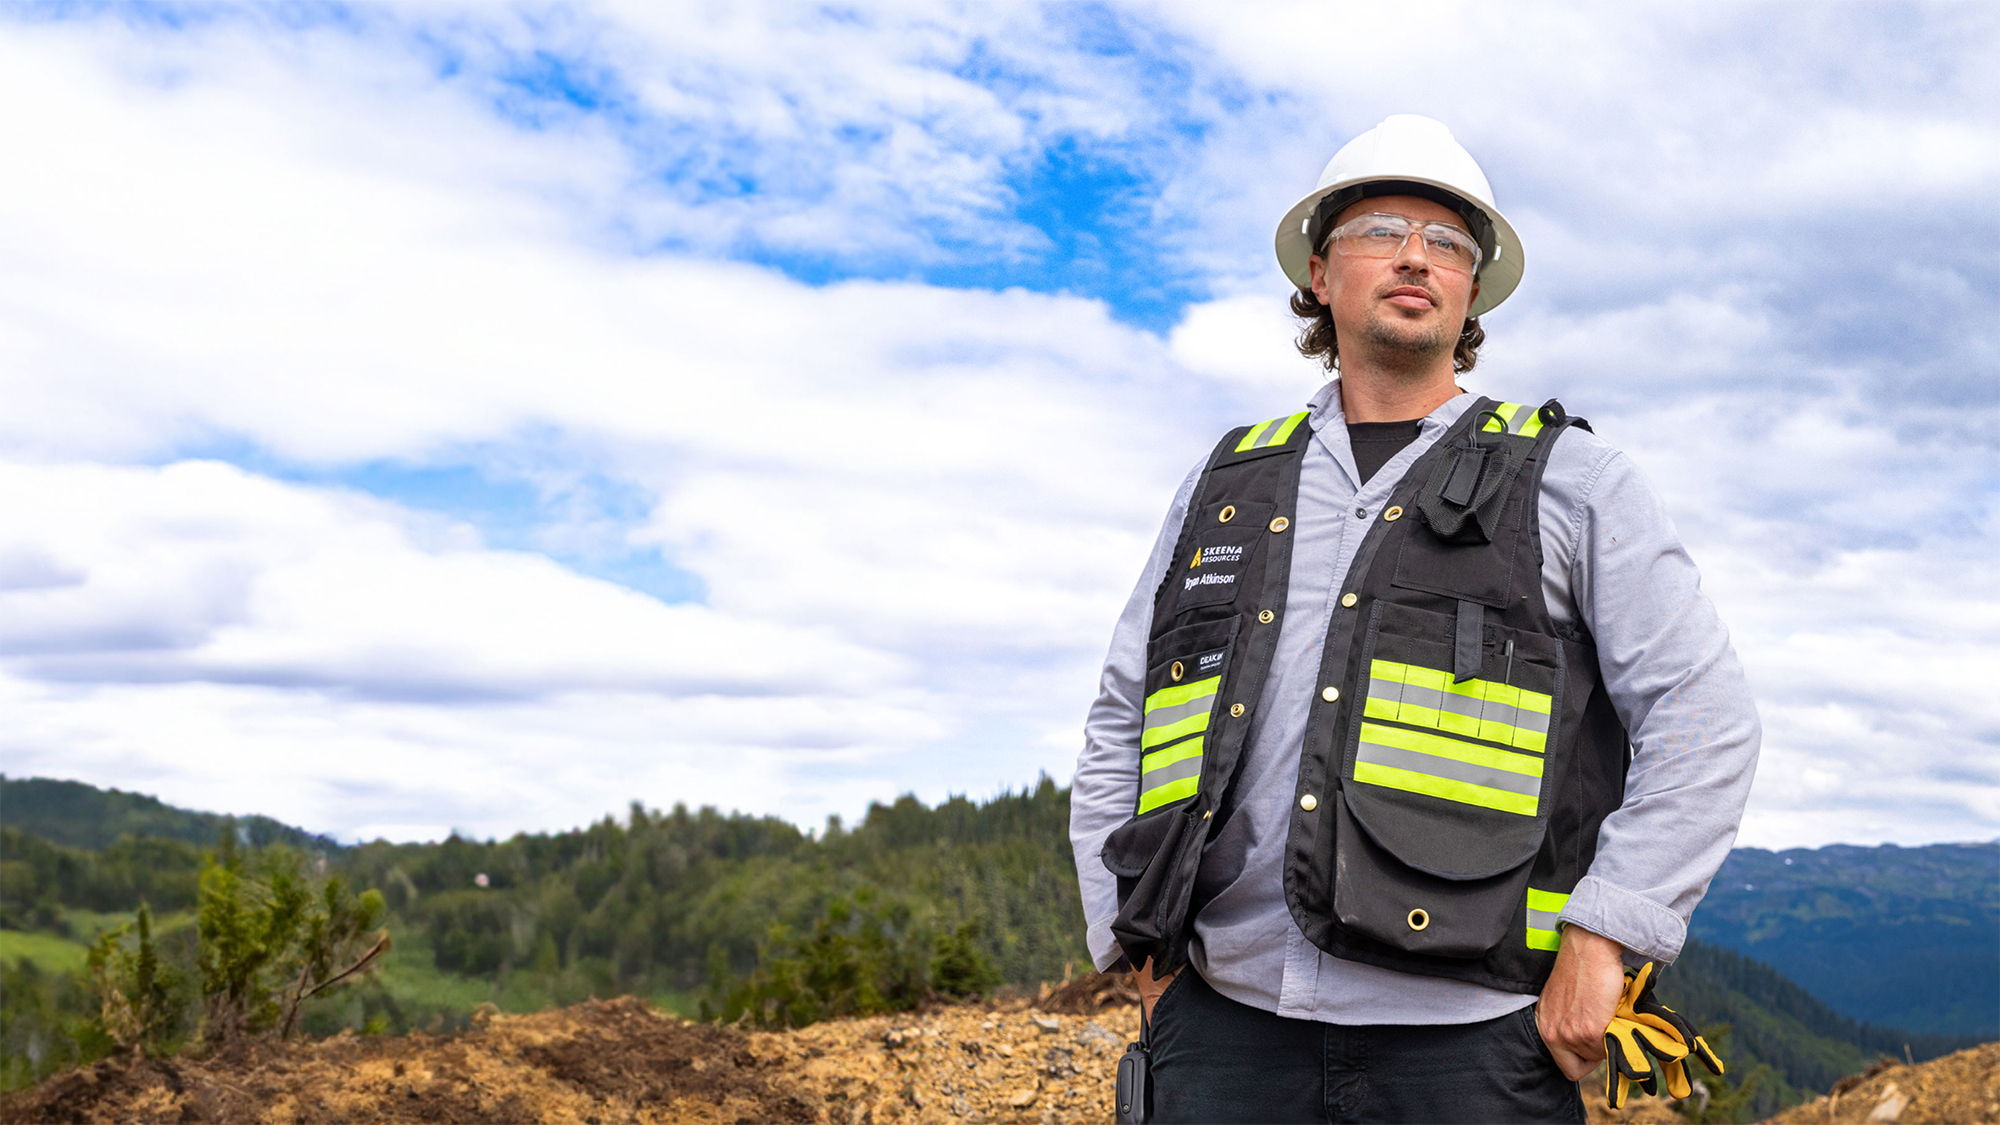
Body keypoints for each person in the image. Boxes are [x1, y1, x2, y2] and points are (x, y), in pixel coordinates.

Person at [1070, 114, 1760, 1123]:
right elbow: (1121, 717)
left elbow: (1704, 720)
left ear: (1471, 290)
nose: (1414, 257)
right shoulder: (1225, 482)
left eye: (1447, 243)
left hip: (1470, 1051)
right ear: (1316, 270)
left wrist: (1603, 936)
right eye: (1380, 229)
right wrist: (1133, 945)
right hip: (1222, 1030)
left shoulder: (1571, 482)